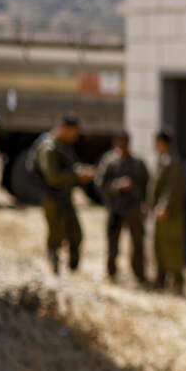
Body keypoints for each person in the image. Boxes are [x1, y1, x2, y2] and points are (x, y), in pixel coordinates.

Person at [36, 114, 95, 274]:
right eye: (73, 132)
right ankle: (54, 271)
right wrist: (76, 175)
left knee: (75, 234)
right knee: (56, 236)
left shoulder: (64, 146)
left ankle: (72, 270)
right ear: (64, 129)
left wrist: (81, 172)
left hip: (65, 197)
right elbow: (53, 177)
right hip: (53, 198)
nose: (76, 136)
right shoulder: (49, 148)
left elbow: (71, 166)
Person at [96, 130, 150, 283]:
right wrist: (117, 186)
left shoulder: (138, 163)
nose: (123, 145)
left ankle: (139, 275)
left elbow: (146, 185)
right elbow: (100, 184)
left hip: (133, 209)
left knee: (137, 244)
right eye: (120, 142)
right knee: (112, 244)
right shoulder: (109, 161)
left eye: (125, 142)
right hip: (115, 208)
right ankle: (111, 273)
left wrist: (144, 205)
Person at [150, 128, 186, 294]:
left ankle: (177, 282)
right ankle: (161, 279)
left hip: (170, 214)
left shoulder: (172, 161)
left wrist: (164, 206)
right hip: (161, 213)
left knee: (173, 247)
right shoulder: (162, 159)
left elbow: (172, 188)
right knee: (159, 247)